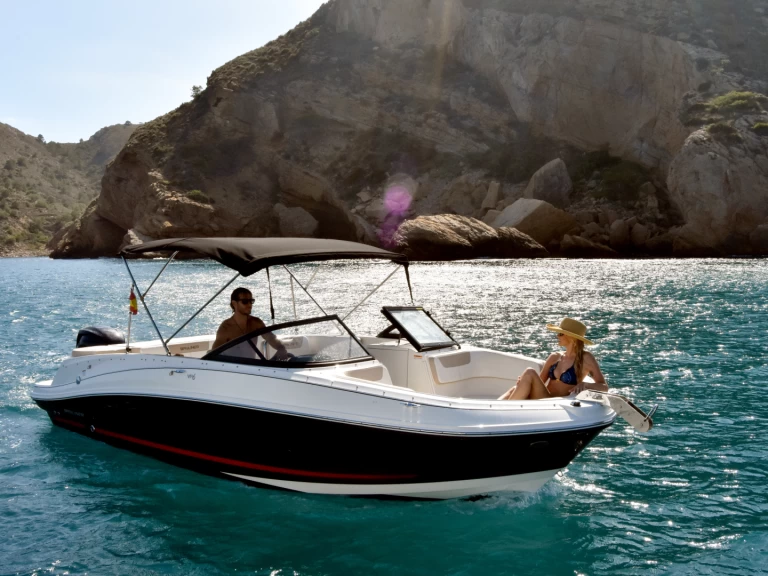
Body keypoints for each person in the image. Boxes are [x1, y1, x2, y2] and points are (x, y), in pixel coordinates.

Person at [498, 318, 608, 400]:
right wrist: (523, 382)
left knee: (530, 372)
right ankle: (496, 408)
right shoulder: (555, 357)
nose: (557, 336)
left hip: (558, 403)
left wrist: (586, 385)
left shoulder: (586, 358)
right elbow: (540, 381)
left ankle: (503, 410)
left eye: (561, 334)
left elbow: (603, 387)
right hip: (545, 398)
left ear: (572, 338)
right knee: (517, 386)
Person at [212, 287, 291, 360]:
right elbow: (213, 354)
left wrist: (281, 348)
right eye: (245, 302)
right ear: (234, 303)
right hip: (232, 367)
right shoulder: (226, 327)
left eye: (251, 301)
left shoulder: (256, 323)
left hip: (251, 366)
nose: (249, 305)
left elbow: (271, 338)